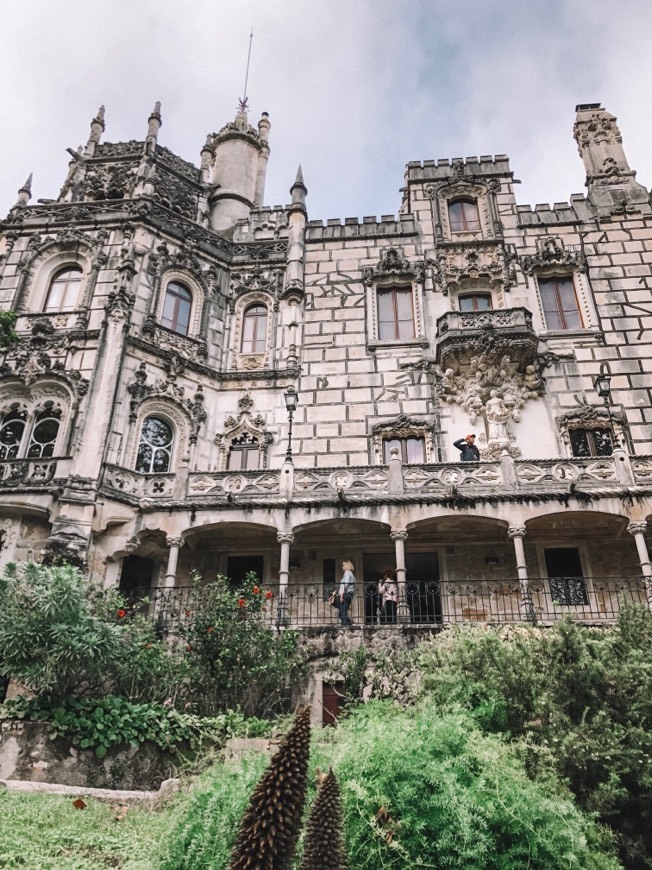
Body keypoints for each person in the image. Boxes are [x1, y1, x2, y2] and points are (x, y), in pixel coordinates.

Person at [338, 560, 356, 626]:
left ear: (346, 566)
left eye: (343, 565)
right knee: (342, 613)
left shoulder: (347, 572)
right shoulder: (351, 574)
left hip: (346, 594)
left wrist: (342, 595)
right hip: (349, 594)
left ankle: (345, 625)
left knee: (343, 612)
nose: (342, 567)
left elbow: (346, 584)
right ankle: (349, 623)